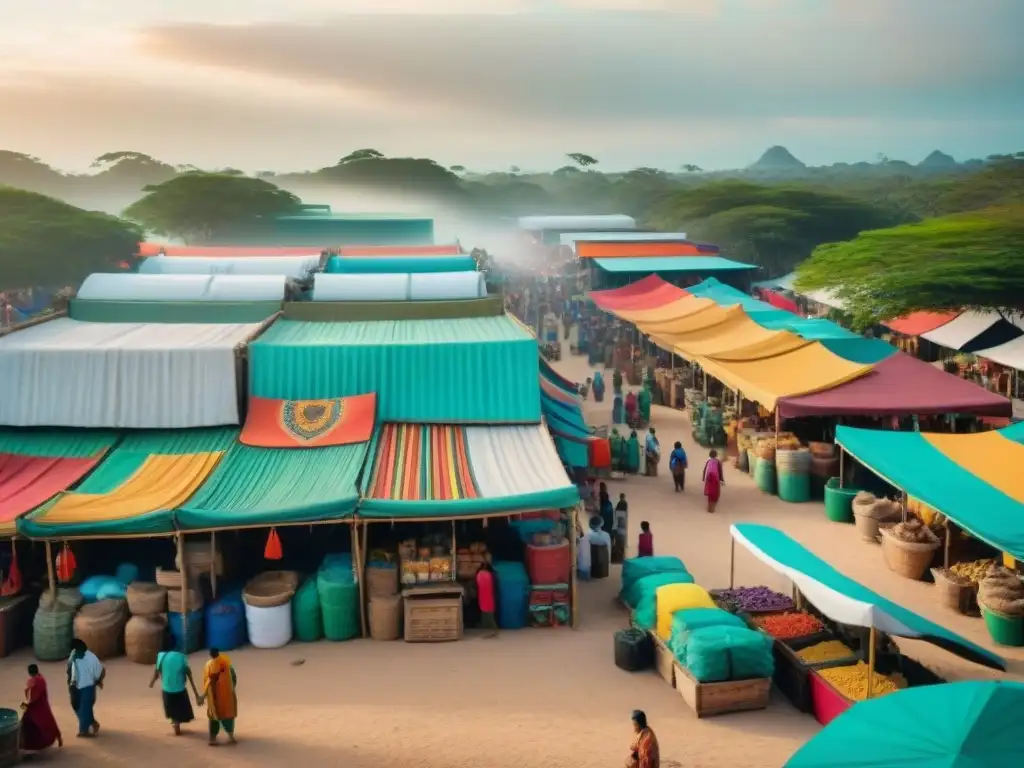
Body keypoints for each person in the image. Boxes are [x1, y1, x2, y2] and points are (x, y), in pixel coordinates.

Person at [150, 635, 200, 735]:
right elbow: (188, 674)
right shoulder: (181, 657)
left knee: (172, 709)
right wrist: (196, 694)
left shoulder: (161, 656)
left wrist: (152, 682)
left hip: (167, 689)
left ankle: (175, 723)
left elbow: (157, 673)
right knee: (180, 709)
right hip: (180, 689)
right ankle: (176, 723)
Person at [20, 664, 62, 752]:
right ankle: (58, 738)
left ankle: (29, 744)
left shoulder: (33, 681)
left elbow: (32, 697)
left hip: (35, 708)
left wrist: (25, 705)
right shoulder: (41, 678)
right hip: (43, 704)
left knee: (30, 724)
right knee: (49, 722)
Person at [201, 648, 238, 746]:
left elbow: (207, 682)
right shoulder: (227, 664)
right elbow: (234, 678)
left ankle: (212, 738)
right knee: (228, 716)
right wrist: (231, 689)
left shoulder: (208, 665)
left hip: (214, 697)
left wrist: (204, 695)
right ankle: (231, 736)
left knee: (214, 717)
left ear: (210, 655)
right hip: (227, 696)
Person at [68, 639, 104, 738]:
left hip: (88, 686)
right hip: (74, 686)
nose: (74, 651)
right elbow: (70, 669)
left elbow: (100, 670)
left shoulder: (91, 658)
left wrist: (98, 680)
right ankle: (92, 722)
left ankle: (84, 730)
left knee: (85, 707)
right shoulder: (73, 655)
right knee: (76, 706)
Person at [476, 560, 498, 638]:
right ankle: (492, 630)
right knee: (489, 612)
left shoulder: (481, 574)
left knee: (488, 613)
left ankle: (494, 630)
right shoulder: (491, 574)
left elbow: (478, 584)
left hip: (484, 595)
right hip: (490, 595)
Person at [703, 449, 725, 513]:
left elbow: (704, 471)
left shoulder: (708, 461)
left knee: (710, 493)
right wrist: (722, 480)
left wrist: (704, 479)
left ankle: (709, 507)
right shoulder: (718, 462)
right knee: (716, 493)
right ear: (716, 455)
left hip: (709, 479)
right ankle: (713, 506)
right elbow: (720, 471)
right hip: (716, 479)